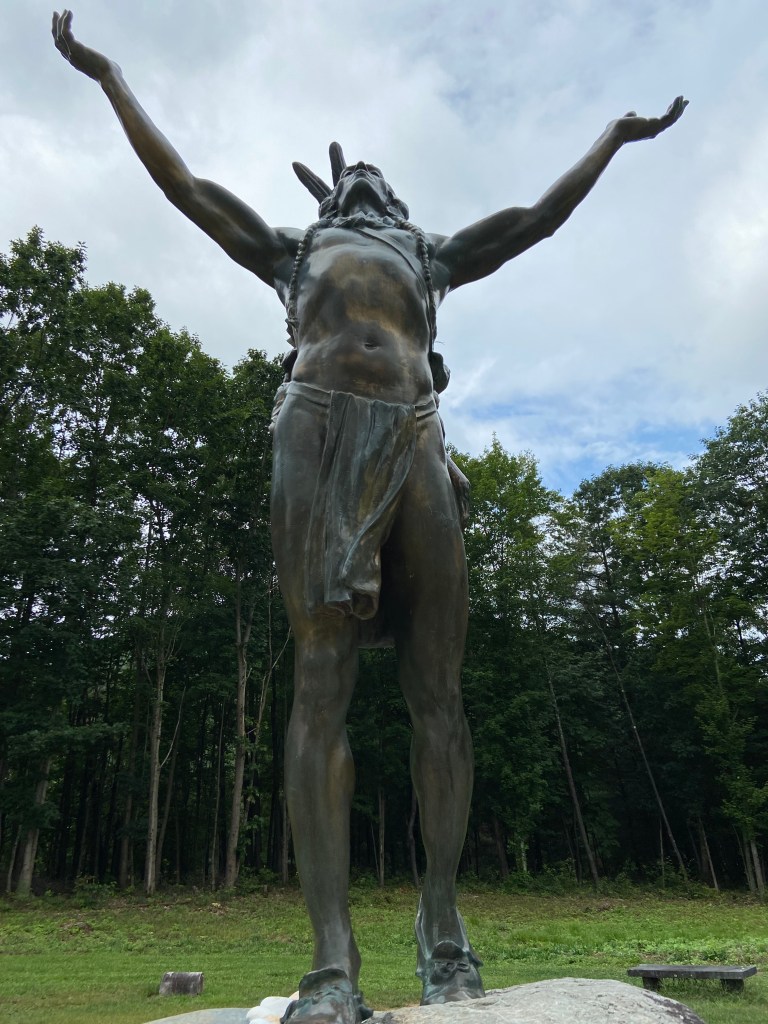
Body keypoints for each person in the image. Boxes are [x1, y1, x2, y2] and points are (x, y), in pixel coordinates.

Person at [52, 10, 687, 1022]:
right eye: (350, 179)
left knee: (440, 693)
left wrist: (611, 137)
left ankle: (443, 925)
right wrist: (108, 77)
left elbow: (537, 218)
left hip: (417, 439)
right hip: (315, 438)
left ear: (399, 205)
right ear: (325, 200)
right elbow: (182, 187)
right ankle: (331, 961)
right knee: (321, 685)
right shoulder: (292, 251)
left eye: (377, 180)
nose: (363, 182)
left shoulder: (428, 257)